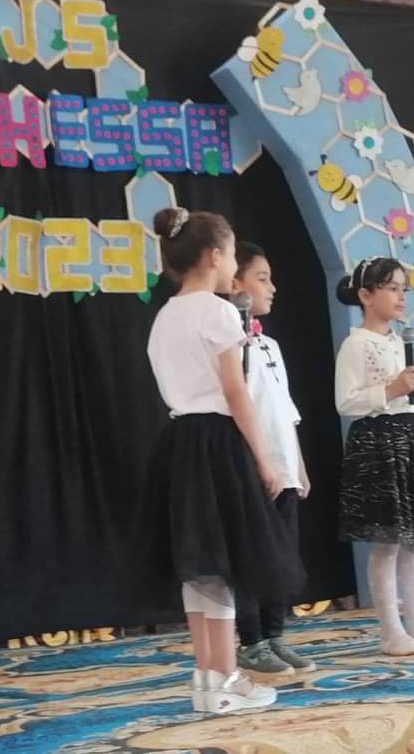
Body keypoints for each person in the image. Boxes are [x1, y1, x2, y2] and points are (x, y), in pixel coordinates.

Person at [146, 207, 302, 713]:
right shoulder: (217, 312)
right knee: (225, 561)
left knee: (201, 568)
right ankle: (227, 679)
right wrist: (266, 459)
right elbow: (236, 393)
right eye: (233, 254)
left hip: (180, 442)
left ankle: (209, 678)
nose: (233, 265)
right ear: (215, 256)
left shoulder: (165, 315)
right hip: (217, 440)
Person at [334, 256, 414, 656]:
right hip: (378, 444)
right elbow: (345, 402)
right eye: (391, 288)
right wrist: (390, 389)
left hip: (412, 441)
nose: (401, 296)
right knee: (387, 542)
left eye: (403, 289)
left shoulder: (403, 343)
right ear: (365, 295)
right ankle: (391, 631)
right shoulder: (355, 345)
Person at [230, 241, 316, 676]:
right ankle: (251, 641)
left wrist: (296, 465)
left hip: (283, 464)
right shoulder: (230, 343)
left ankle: (276, 635)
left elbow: (285, 410)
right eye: (262, 278)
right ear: (235, 283)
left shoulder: (270, 344)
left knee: (282, 554)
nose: (272, 287)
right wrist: (260, 462)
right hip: (253, 462)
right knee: (252, 554)